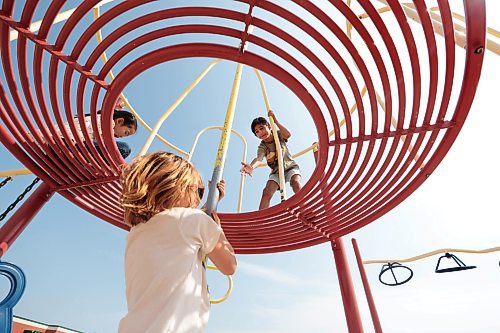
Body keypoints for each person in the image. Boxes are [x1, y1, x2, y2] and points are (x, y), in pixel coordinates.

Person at [118, 152, 237, 333]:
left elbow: (181, 223)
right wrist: (216, 230)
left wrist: (210, 206)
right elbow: (229, 265)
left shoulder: (137, 231)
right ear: (178, 187)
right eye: (198, 191)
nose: (198, 200)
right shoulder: (194, 220)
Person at [240, 111, 302, 209]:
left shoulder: (277, 134)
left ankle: (305, 208)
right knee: (267, 192)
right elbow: (259, 158)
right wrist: (251, 167)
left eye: (261, 128)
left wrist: (275, 121)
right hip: (276, 172)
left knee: (295, 182)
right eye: (257, 132)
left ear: (268, 126)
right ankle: (261, 219)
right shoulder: (262, 146)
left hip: (290, 167)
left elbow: (287, 135)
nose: (260, 132)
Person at [58, 98, 137, 159]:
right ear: (119, 121)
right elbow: (102, 143)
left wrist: (116, 105)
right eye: (126, 133)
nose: (122, 136)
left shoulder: (97, 118)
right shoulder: (108, 123)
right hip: (70, 146)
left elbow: (108, 110)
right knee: (124, 148)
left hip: (55, 140)